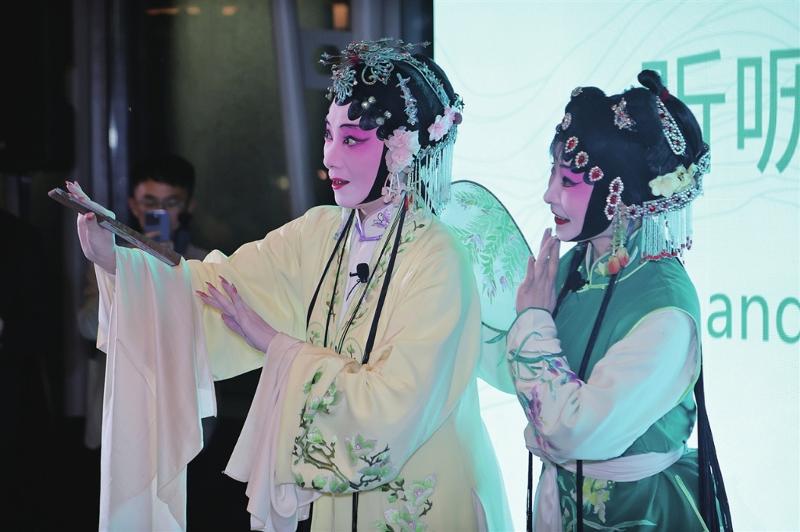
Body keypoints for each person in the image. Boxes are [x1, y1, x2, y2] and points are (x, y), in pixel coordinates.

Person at [68, 39, 512, 531]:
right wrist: (120, 262)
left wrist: (275, 346)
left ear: (401, 149)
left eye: (352, 140)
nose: (330, 157)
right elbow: (220, 288)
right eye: (328, 134)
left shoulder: (438, 257)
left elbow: (392, 411)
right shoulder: (320, 233)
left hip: (423, 496)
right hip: (341, 503)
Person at [504, 72, 732, 530]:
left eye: (569, 179)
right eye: (552, 173)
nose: (549, 194)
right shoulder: (575, 265)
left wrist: (532, 321)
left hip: (638, 510)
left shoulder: (664, 307)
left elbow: (577, 430)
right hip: (564, 496)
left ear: (620, 192)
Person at [76, 153, 207, 449]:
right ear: (134, 206)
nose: (159, 212)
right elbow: (87, 326)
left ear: (188, 206)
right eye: (150, 203)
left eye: (171, 203)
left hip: (184, 417)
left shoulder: (203, 263)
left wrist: (169, 266)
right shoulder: (110, 259)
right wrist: (126, 269)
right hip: (122, 416)